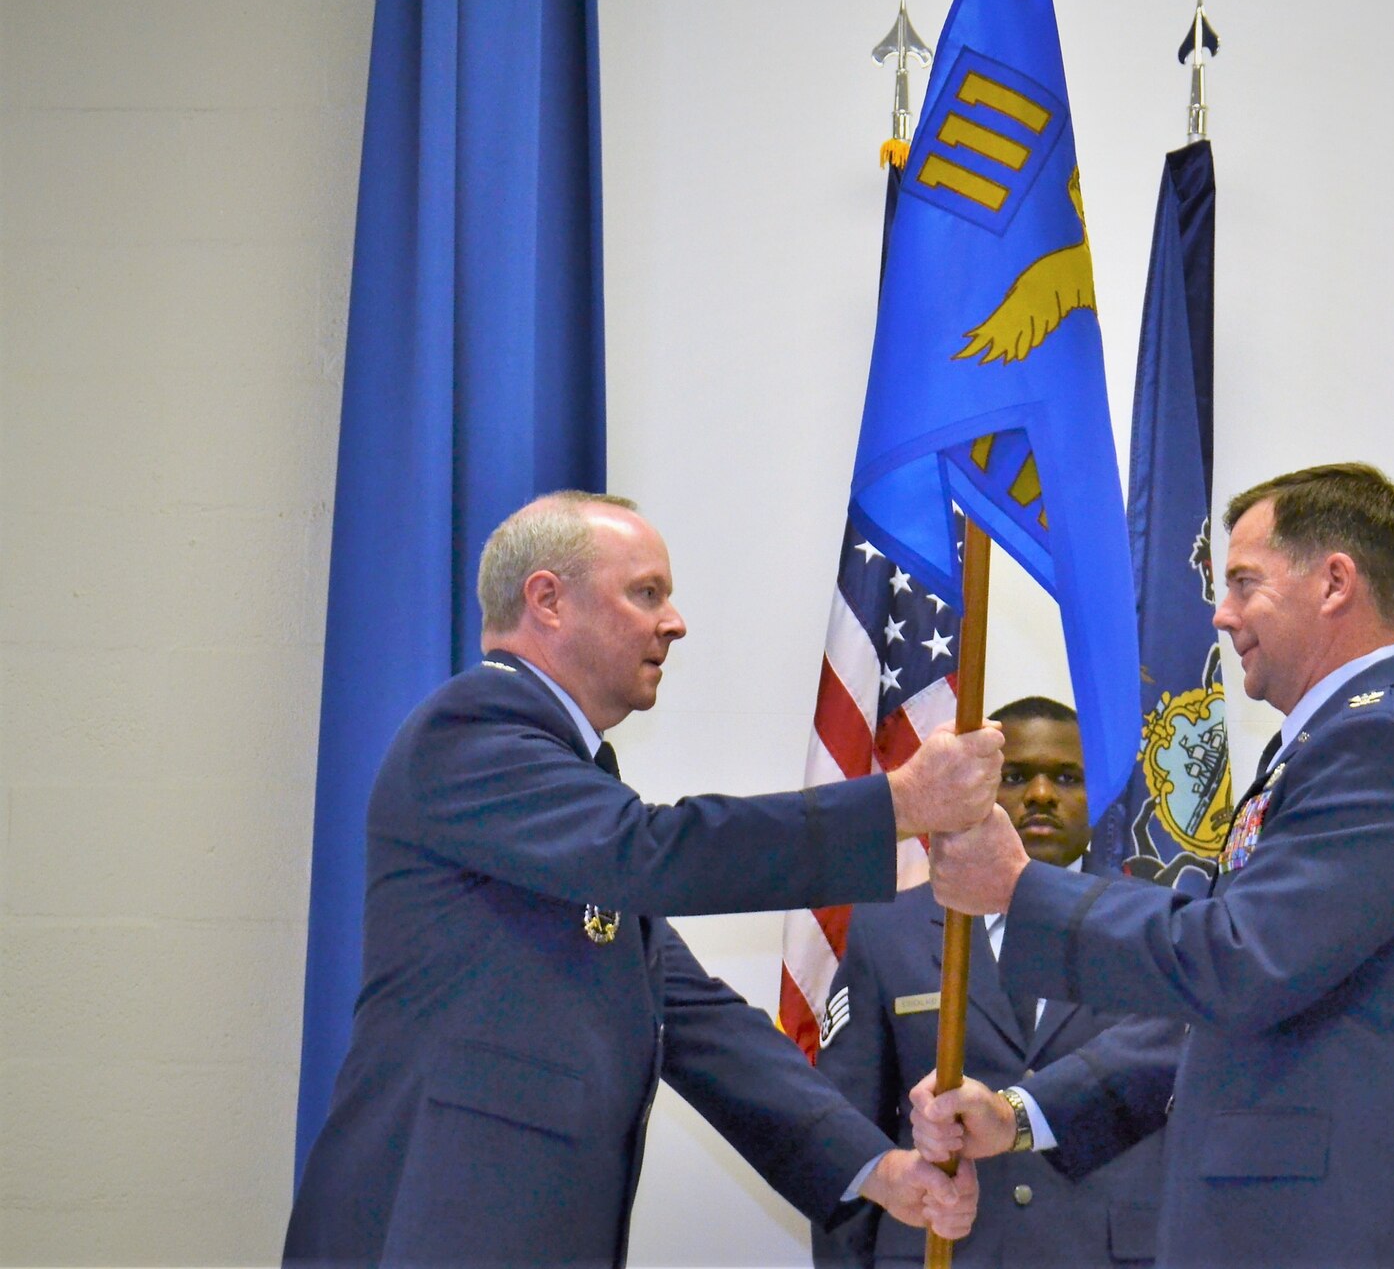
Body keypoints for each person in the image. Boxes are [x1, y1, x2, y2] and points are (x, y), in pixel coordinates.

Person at [284, 491, 987, 1267]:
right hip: (428, 1229)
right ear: (547, 599)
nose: (674, 621)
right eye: (645, 592)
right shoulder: (473, 728)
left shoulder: (571, 785)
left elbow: (694, 1018)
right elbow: (655, 850)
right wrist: (895, 804)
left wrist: (875, 1166)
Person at [914, 464, 1394, 1267]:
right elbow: (1231, 1013)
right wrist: (1022, 1113)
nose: (1221, 613)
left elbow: (1237, 959)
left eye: (1243, 582)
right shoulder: (1332, 744)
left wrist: (1022, 890)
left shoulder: (1384, 747)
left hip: (1339, 1238)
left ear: (1335, 582)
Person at [811, 698, 1170, 1268]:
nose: (1043, 795)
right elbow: (847, 1140)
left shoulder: (1159, 926)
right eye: (1017, 776)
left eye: (1068, 777)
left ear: (1098, 795)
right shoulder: (888, 932)